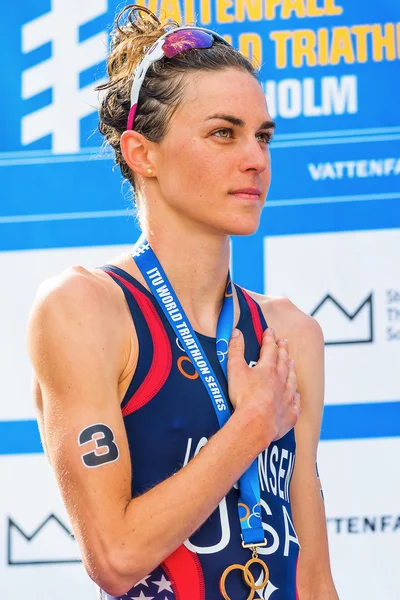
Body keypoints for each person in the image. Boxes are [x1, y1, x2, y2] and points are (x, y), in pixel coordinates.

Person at [27, 4, 339, 599]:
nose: (256, 159)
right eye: (224, 133)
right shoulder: (84, 309)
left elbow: (315, 577)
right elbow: (115, 558)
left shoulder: (291, 332)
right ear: (142, 153)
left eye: (262, 136)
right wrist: (251, 424)